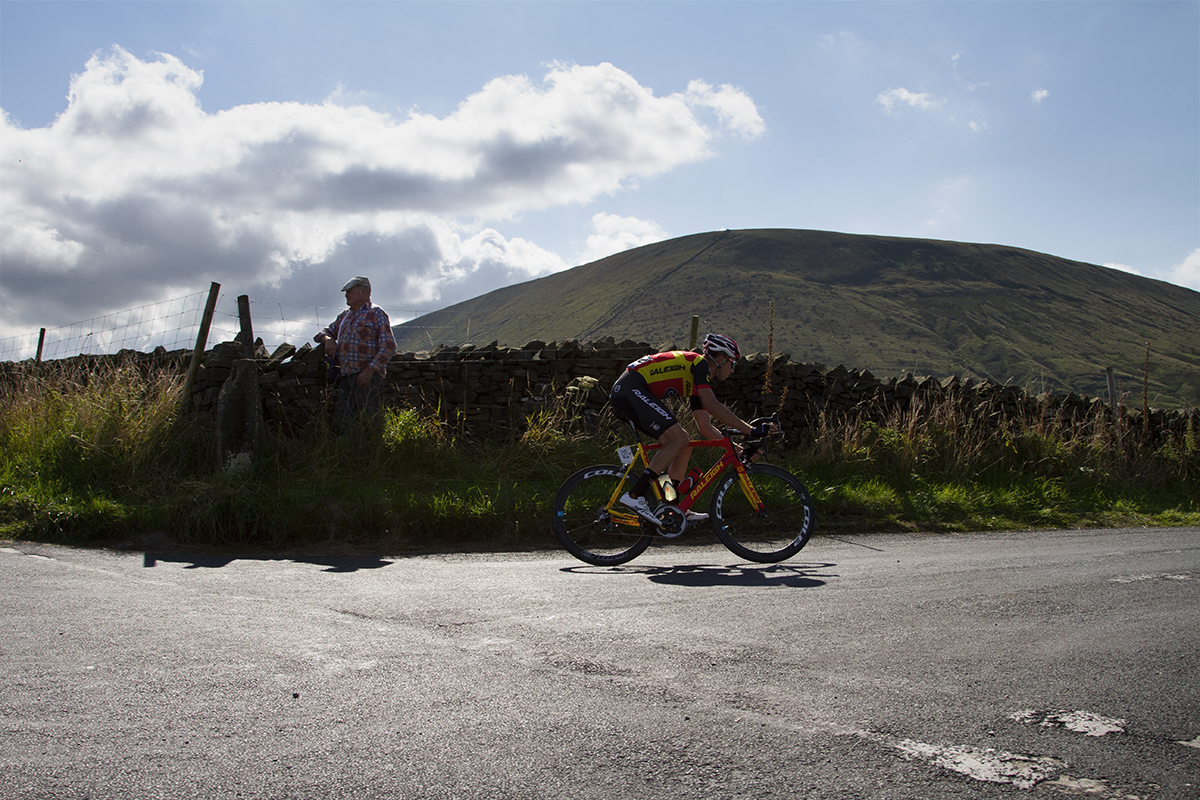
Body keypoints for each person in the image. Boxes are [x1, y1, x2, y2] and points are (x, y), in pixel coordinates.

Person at [608, 333, 776, 525]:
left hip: (632, 391)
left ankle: (676, 508)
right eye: (733, 364)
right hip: (631, 388)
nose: (733, 370)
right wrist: (751, 430)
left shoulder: (698, 380)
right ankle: (635, 494)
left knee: (684, 443)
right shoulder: (700, 364)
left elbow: (705, 428)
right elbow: (713, 406)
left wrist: (738, 450)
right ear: (721, 358)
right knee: (679, 439)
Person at [314, 276, 397, 434]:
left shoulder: (376, 313)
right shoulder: (345, 316)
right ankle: (346, 452)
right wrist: (329, 339)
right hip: (345, 376)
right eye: (346, 292)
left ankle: (373, 452)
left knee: (370, 421)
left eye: (350, 291)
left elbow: (389, 346)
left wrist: (370, 370)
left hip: (367, 376)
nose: (346, 295)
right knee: (341, 423)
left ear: (364, 292)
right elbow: (322, 333)